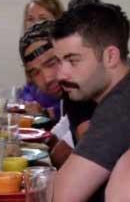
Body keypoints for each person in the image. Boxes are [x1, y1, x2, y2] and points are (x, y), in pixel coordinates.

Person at [51, 1, 130, 202]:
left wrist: (32, 183)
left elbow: (65, 196)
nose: (61, 74)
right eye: (58, 62)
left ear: (110, 57)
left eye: (72, 61)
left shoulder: (124, 103)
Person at [18, 20, 95, 170]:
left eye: (51, 63)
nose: (47, 78)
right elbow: (57, 135)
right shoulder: (69, 94)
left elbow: (66, 157)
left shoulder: (86, 90)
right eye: (36, 72)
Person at [19, 0, 65, 120]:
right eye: (30, 19)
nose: (35, 24)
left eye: (42, 18)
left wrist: (46, 114)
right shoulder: (27, 51)